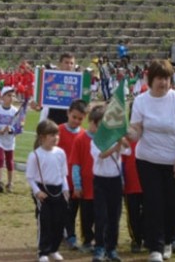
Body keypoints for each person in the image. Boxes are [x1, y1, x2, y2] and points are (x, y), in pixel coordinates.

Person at [128, 59, 175, 262]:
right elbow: (137, 132)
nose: (163, 83)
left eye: (167, 78)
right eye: (159, 78)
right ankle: (155, 247)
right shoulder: (141, 101)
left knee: (174, 204)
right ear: (149, 79)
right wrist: (126, 132)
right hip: (147, 160)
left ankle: (168, 240)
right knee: (153, 203)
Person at [26, 119, 69, 262]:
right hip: (43, 190)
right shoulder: (35, 155)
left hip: (58, 190)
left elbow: (63, 174)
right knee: (45, 221)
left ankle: (54, 249)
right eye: (51, 135)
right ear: (42, 137)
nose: (55, 138)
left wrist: (66, 188)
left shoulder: (61, 153)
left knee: (59, 221)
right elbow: (30, 177)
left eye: (57, 135)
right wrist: (37, 191)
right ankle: (43, 251)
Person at [91, 133, 131, 262]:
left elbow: (128, 150)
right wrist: (116, 146)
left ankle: (111, 248)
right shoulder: (96, 141)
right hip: (100, 181)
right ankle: (99, 247)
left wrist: (121, 140)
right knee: (101, 215)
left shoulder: (116, 139)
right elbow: (102, 155)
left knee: (114, 215)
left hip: (115, 181)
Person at [71, 104, 104, 253]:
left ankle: (99, 240)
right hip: (86, 187)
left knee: (101, 216)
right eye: (95, 124)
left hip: (101, 185)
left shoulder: (105, 140)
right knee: (86, 216)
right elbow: (76, 164)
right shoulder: (80, 139)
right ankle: (87, 240)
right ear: (90, 122)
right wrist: (77, 185)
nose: (97, 128)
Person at [57, 99, 88, 250]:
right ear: (68, 114)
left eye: (80, 119)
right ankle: (69, 235)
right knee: (65, 209)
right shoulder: (59, 131)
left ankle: (70, 234)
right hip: (62, 179)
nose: (76, 121)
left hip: (77, 180)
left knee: (74, 209)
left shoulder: (83, 134)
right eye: (74, 117)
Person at [0, 86, 19, 193]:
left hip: (9, 139)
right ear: (3, 97)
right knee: (1, 158)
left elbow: (18, 126)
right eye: (8, 95)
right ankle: (0, 181)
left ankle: (10, 183)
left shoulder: (15, 111)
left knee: (10, 161)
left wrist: (11, 129)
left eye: (13, 96)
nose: (11, 98)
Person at [37, 53, 77, 124]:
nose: (69, 65)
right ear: (60, 64)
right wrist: (37, 105)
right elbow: (42, 102)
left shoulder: (78, 82)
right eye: (66, 63)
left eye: (71, 63)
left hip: (69, 121)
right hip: (51, 120)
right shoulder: (51, 79)